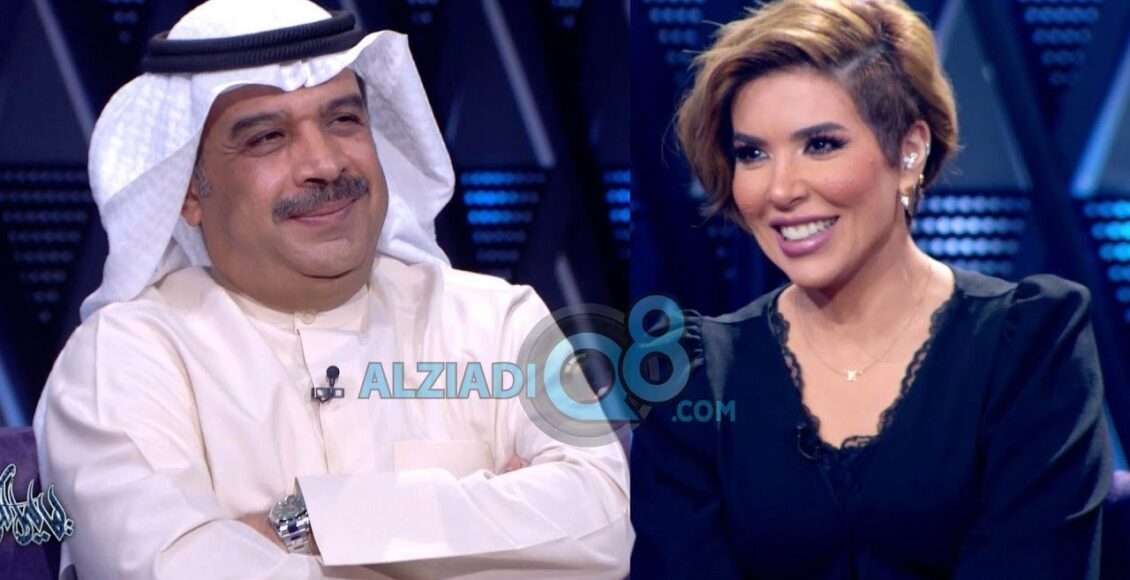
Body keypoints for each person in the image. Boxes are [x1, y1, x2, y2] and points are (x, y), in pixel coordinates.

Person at [32, 0, 630, 578]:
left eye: (343, 120)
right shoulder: (122, 359)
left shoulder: (497, 319)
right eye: (267, 137)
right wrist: (480, 529)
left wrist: (307, 523)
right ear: (189, 193)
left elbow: (602, 526)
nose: (324, 164)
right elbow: (171, 569)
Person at [630, 0, 1112, 577]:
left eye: (820, 144)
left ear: (908, 152)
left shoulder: (1030, 345)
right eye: (752, 154)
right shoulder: (690, 374)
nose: (780, 190)